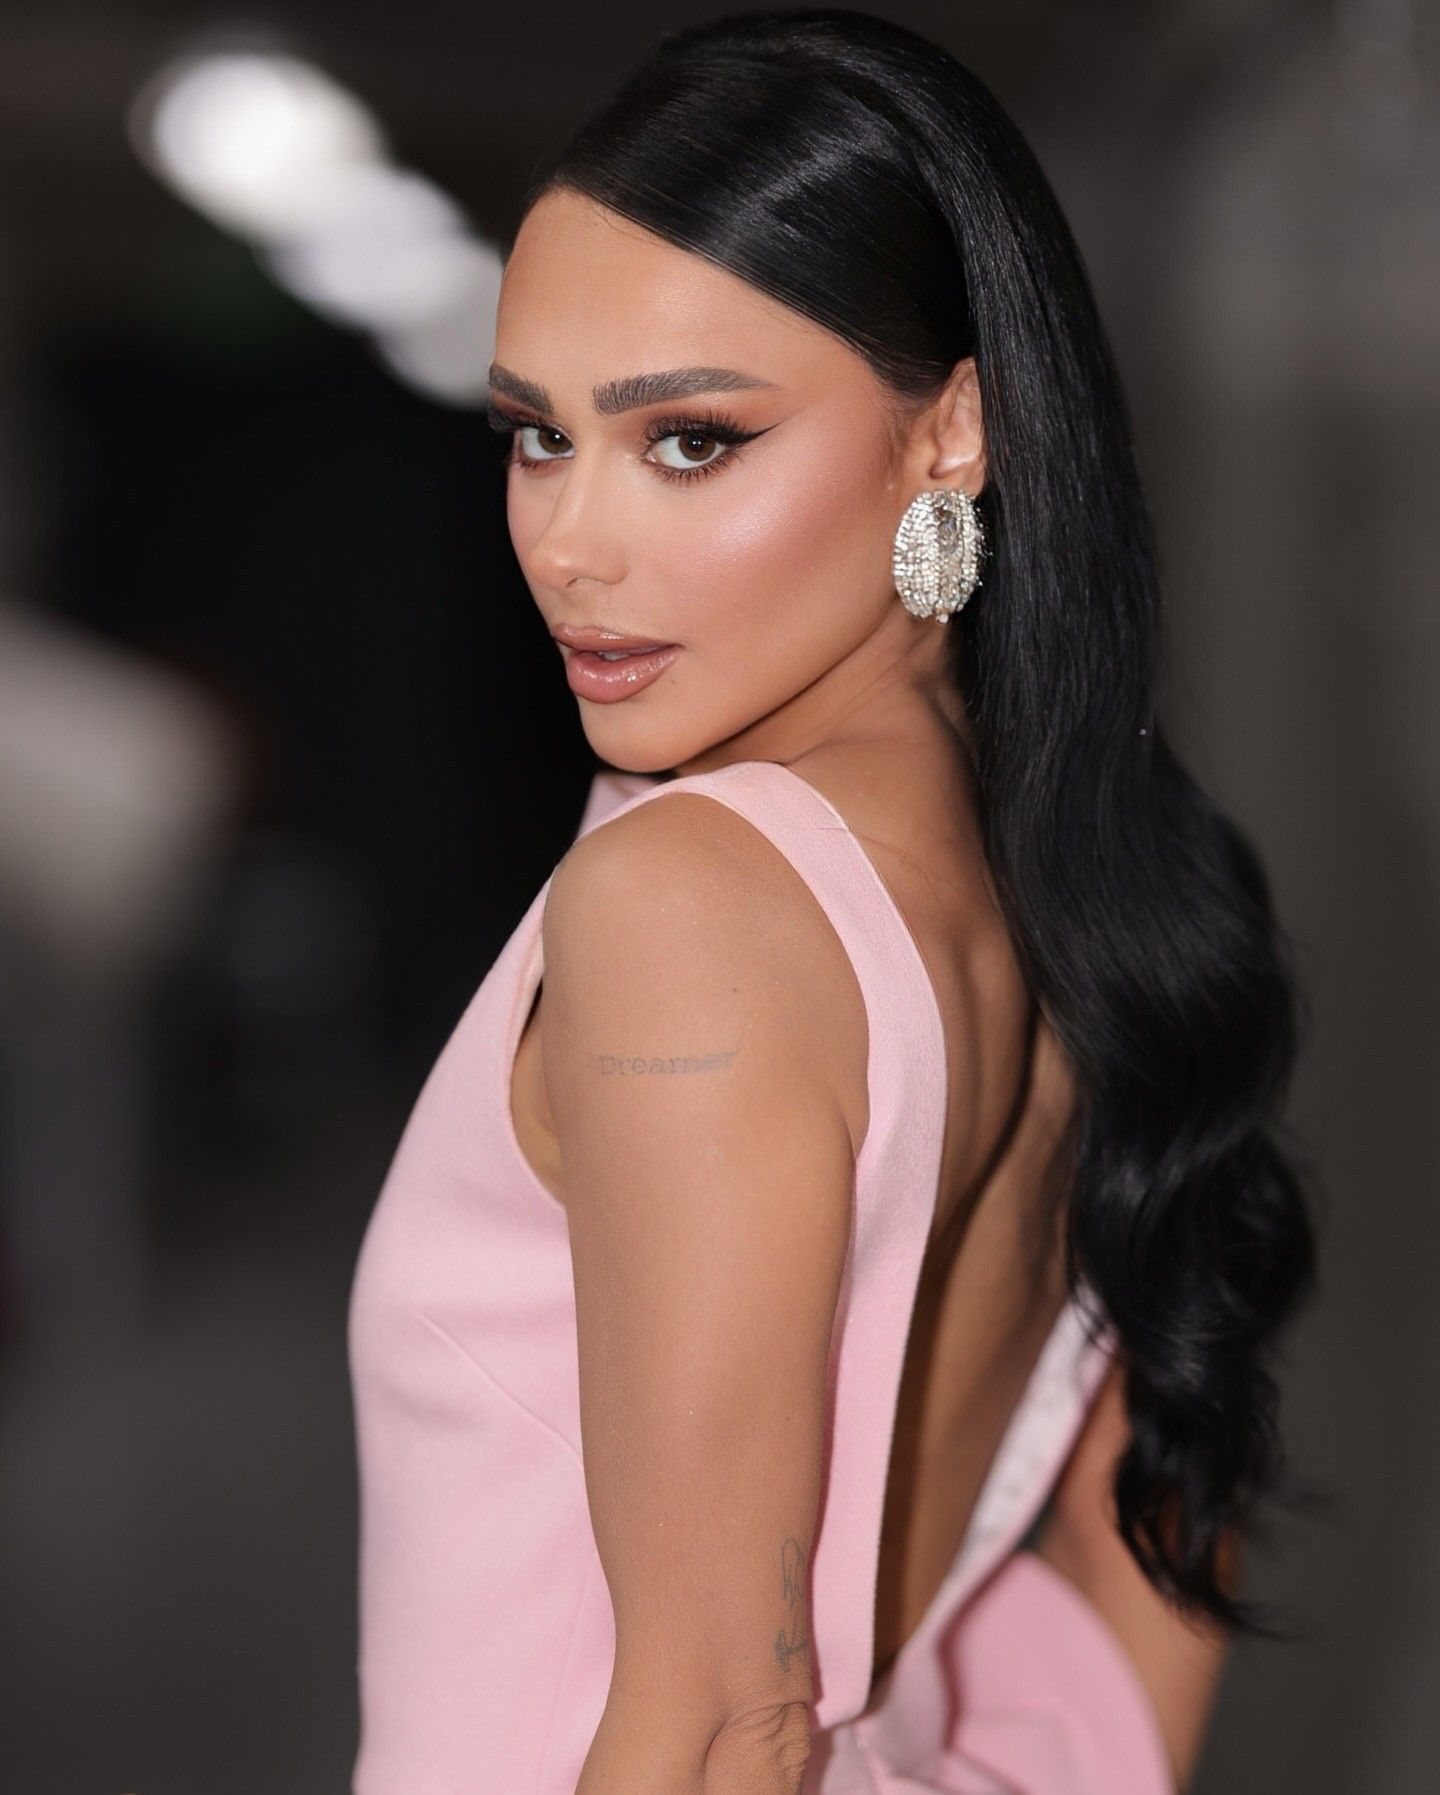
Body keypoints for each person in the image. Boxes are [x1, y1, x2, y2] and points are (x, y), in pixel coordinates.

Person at [347, 11, 1318, 1793]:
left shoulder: (688, 907)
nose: (568, 543)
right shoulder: (1073, 876)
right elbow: (1162, 1524)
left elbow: (730, 1714)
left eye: (691, 440)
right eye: (537, 436)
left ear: (951, 432)